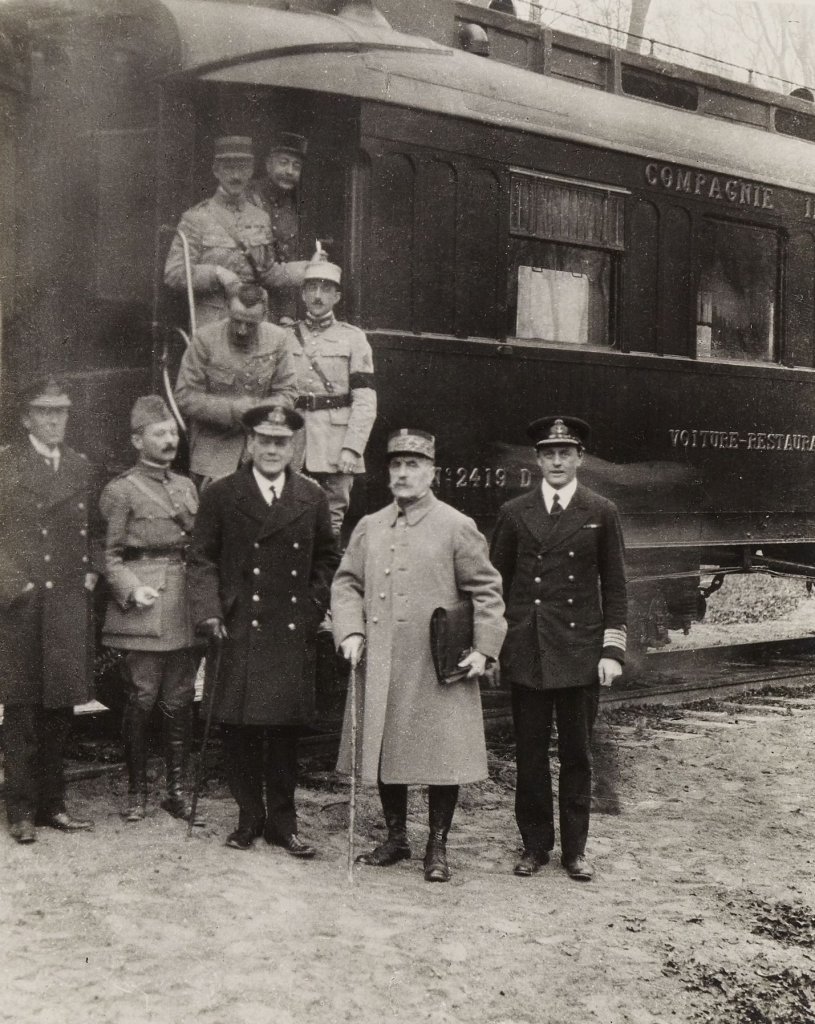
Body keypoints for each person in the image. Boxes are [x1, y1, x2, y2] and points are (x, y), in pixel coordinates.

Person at [331, 428, 507, 883]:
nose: (404, 473)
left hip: (436, 662)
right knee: (388, 748)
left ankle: (437, 846)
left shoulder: (456, 525)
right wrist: (349, 630)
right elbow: (346, 583)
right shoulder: (370, 526)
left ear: (431, 472)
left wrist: (484, 649)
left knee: (440, 756)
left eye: (414, 465)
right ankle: (395, 838)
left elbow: (486, 591)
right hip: (383, 660)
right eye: (396, 465)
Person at [187, 403, 339, 854]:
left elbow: (328, 560)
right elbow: (201, 559)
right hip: (238, 628)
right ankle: (248, 818)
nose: (273, 449)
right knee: (239, 729)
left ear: (292, 446)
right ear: (250, 444)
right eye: (265, 441)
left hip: (290, 629)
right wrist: (211, 612)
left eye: (281, 442)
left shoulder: (311, 496)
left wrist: (312, 610)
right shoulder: (221, 494)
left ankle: (284, 824)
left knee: (284, 731)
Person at [489, 416, 627, 882]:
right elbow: (496, 585)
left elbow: (616, 586)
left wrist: (612, 651)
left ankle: (575, 852)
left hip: (580, 651)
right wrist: (493, 645)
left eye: (565, 453)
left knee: (577, 755)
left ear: (579, 459)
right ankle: (534, 846)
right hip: (529, 650)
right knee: (528, 755)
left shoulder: (600, 510)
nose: (556, 461)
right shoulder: (514, 512)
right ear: (537, 459)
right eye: (548, 453)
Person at [0, 378, 95, 843]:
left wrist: (92, 571)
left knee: (60, 707)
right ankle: (19, 809)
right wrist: (13, 585)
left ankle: (52, 805)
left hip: (65, 602)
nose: (56, 419)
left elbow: (96, 530)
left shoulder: (79, 466)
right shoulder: (6, 465)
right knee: (20, 710)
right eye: (45, 411)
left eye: (62, 411)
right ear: (26, 418)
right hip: (22, 604)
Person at [98, 396, 200, 823]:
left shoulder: (187, 487)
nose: (169, 439)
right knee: (142, 698)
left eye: (173, 432)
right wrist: (130, 589)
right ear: (138, 440)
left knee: (178, 699)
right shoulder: (120, 490)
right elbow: (107, 554)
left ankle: (175, 791)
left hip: (186, 603)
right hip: (146, 603)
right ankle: (137, 792)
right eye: (159, 433)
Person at [164, 135, 309, 327]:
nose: (236, 176)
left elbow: (267, 273)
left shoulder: (260, 218)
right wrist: (216, 273)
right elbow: (174, 274)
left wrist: (305, 269)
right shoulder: (196, 218)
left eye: (242, 168)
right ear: (216, 170)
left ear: (250, 171)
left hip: (254, 320)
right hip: (213, 324)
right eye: (229, 168)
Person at [286, 259, 377, 535]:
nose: (317, 296)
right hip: (294, 443)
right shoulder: (285, 336)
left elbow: (365, 399)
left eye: (326, 289)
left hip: (335, 445)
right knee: (287, 519)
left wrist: (352, 447)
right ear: (302, 294)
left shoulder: (353, 339)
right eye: (311, 288)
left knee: (330, 525)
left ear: (336, 297)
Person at [174, 283, 298, 487]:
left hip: (263, 450)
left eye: (251, 324)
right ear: (226, 310)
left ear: (264, 316)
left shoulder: (278, 339)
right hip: (213, 453)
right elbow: (185, 396)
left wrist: (260, 411)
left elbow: (288, 391)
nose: (242, 330)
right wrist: (231, 410)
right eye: (237, 321)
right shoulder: (204, 340)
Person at [250, 132, 308, 321]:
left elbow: (289, 260)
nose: (290, 171)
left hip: (278, 310)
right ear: (268, 165)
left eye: (296, 166)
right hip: (248, 305)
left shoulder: (294, 207)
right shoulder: (248, 198)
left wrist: (288, 315)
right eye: (283, 163)